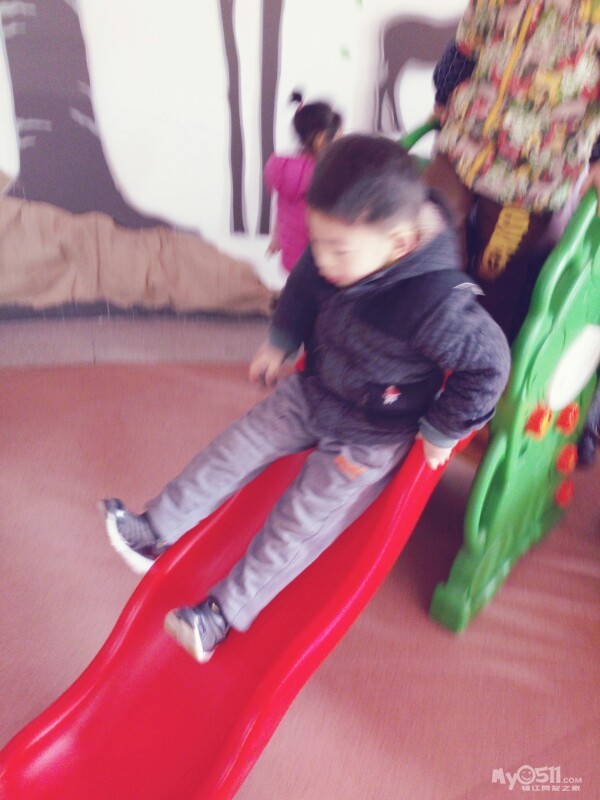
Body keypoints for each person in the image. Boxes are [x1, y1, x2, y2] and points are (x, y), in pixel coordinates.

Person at [100, 134, 511, 664]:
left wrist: (443, 429)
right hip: (315, 388)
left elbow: (489, 365)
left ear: (400, 245)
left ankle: (220, 615)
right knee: (236, 446)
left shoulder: (436, 303)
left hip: (370, 434)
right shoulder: (338, 251)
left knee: (299, 520)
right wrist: (281, 340)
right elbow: (303, 285)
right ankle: (154, 531)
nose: (322, 258)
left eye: (338, 250)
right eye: (318, 241)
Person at [425, 0, 600, 342]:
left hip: (533, 174)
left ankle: (481, 348)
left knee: (497, 273)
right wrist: (443, 94)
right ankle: (440, 317)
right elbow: (466, 45)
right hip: (464, 140)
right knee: (429, 221)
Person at [264, 91, 342, 273]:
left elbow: (282, 208)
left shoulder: (285, 168)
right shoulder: (323, 173)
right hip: (316, 259)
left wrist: (276, 238)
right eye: (339, 136)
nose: (341, 142)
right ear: (321, 139)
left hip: (292, 256)